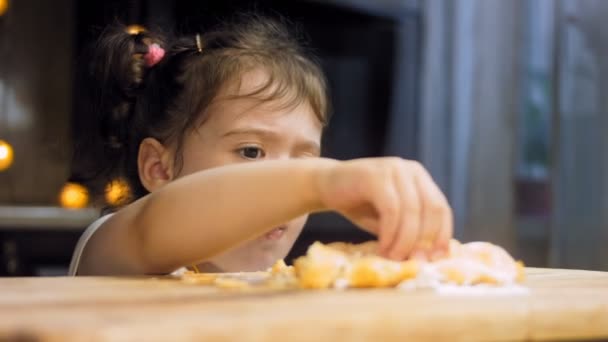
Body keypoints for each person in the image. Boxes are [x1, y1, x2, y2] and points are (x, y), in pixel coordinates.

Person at [68, 15, 453, 276]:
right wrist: (322, 182)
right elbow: (158, 222)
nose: (285, 179)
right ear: (159, 168)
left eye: (305, 157)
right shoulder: (116, 248)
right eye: (251, 151)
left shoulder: (276, 286)